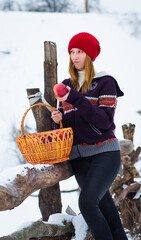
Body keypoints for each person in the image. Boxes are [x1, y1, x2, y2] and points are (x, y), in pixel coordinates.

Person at [51, 32, 128, 240]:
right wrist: (57, 119)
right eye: (72, 52)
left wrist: (74, 97)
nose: (75, 56)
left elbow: (105, 122)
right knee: (106, 209)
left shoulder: (105, 82)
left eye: (80, 51)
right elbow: (66, 128)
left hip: (105, 152)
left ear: (90, 55)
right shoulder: (66, 85)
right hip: (79, 158)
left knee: (86, 202)